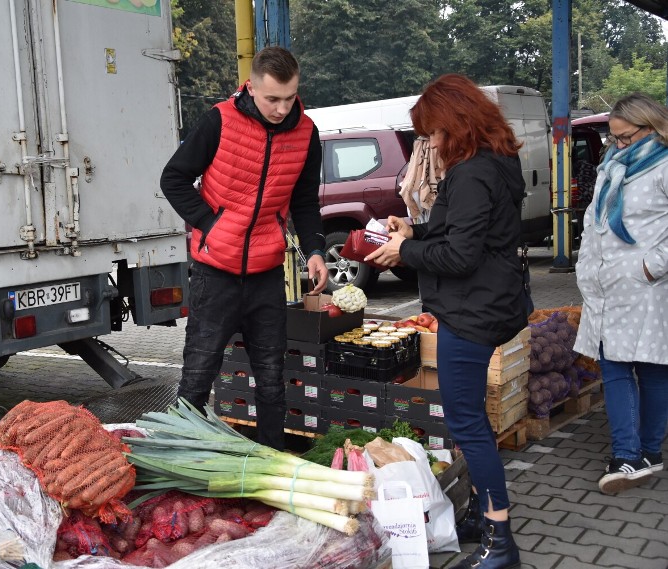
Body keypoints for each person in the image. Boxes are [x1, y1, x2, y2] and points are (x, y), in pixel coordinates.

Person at [366, 74, 527, 569]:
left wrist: (404, 250)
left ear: (456, 125)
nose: (430, 144)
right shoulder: (497, 162)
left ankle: (501, 541)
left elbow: (459, 255)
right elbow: (464, 227)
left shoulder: (472, 172)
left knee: (467, 423)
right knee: (470, 419)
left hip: (471, 311)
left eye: (434, 133)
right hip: (492, 303)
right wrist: (414, 228)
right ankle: (482, 512)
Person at [159, 46, 328, 451]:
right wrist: (211, 224)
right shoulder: (219, 120)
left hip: (267, 274)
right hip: (214, 272)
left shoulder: (307, 132)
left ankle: (271, 459)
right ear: (251, 87)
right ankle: (183, 458)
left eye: (290, 98)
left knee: (271, 377)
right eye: (272, 99)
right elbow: (174, 178)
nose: (282, 108)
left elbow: (305, 201)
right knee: (198, 375)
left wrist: (316, 251)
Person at [573, 93, 668, 495]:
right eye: (614, 139)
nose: (618, 146)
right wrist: (585, 267)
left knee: (650, 368)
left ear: (652, 127)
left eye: (625, 138)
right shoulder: (612, 165)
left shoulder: (664, 166)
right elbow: (597, 223)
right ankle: (636, 454)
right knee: (615, 365)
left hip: (646, 287)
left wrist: (651, 266)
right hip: (606, 286)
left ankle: (636, 454)